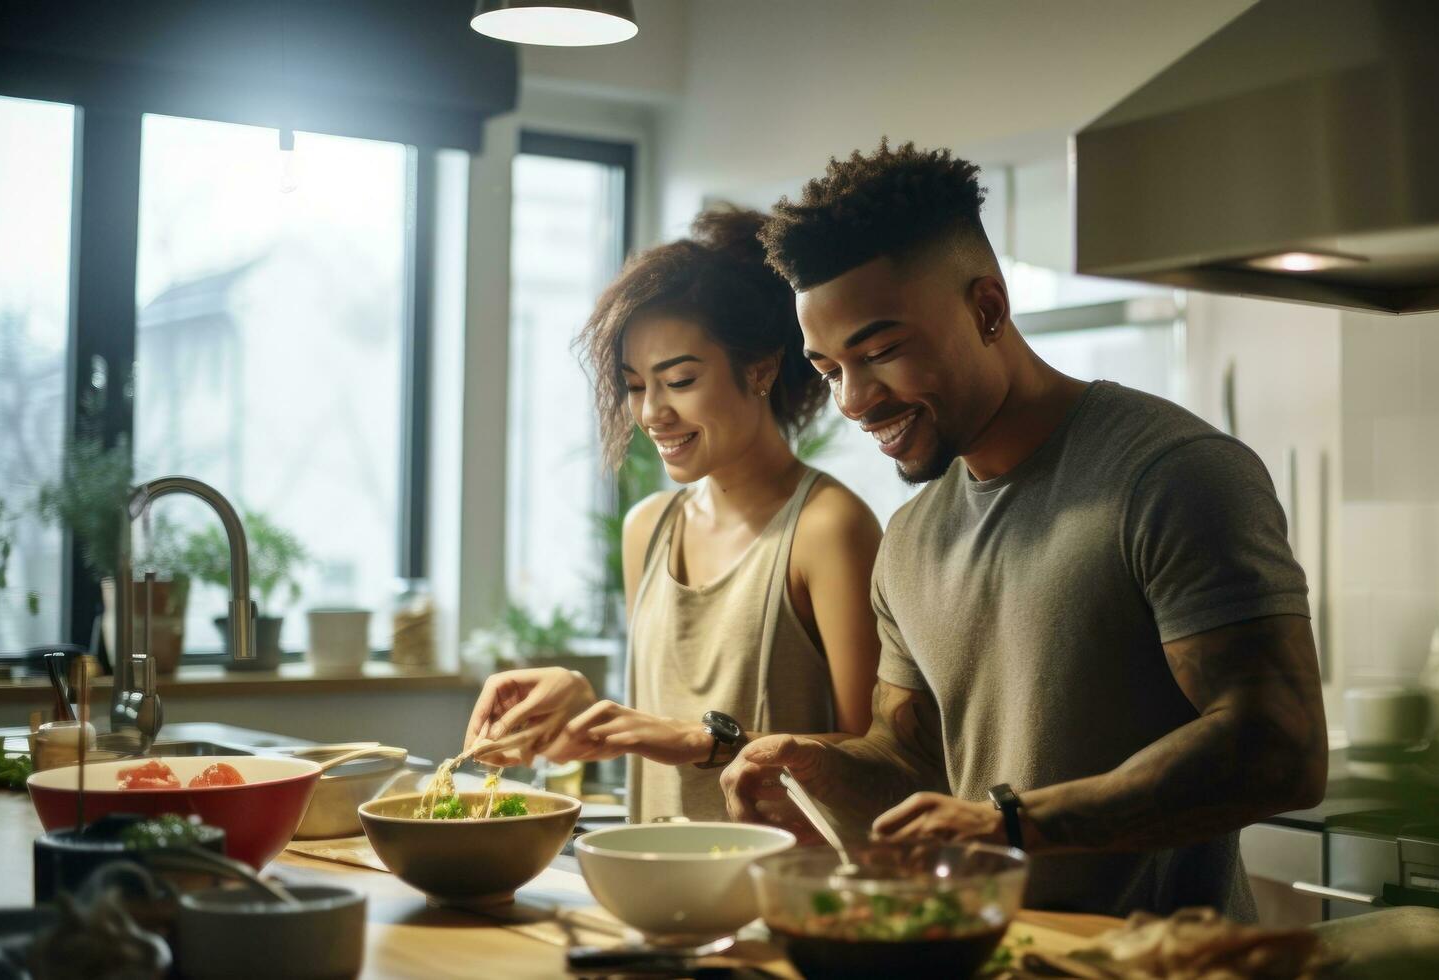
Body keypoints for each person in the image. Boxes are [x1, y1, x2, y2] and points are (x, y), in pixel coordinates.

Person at [722, 141, 1327, 919]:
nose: (853, 399)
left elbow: (1277, 747)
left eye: (880, 352)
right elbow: (910, 754)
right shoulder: (909, 538)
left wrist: (1011, 822)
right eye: (831, 367)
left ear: (986, 308)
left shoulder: (1171, 474)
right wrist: (812, 764)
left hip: (1153, 969)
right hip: (988, 953)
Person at [465, 207, 884, 824]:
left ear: (761, 368)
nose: (651, 413)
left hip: (779, 893)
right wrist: (584, 711)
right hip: (653, 884)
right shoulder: (648, 528)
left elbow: (880, 759)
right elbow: (666, 723)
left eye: (680, 380)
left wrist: (707, 740)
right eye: (636, 385)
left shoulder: (826, 528)